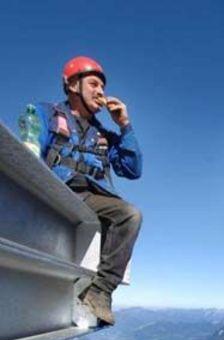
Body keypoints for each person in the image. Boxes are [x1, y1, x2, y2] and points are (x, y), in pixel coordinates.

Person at [19, 56, 143, 325]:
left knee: (130, 215)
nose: (101, 92)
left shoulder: (104, 136)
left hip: (90, 199)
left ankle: (100, 292)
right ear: (73, 85)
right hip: (56, 191)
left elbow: (133, 169)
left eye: (102, 87)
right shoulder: (46, 114)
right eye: (94, 84)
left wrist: (125, 125)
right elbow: (28, 154)